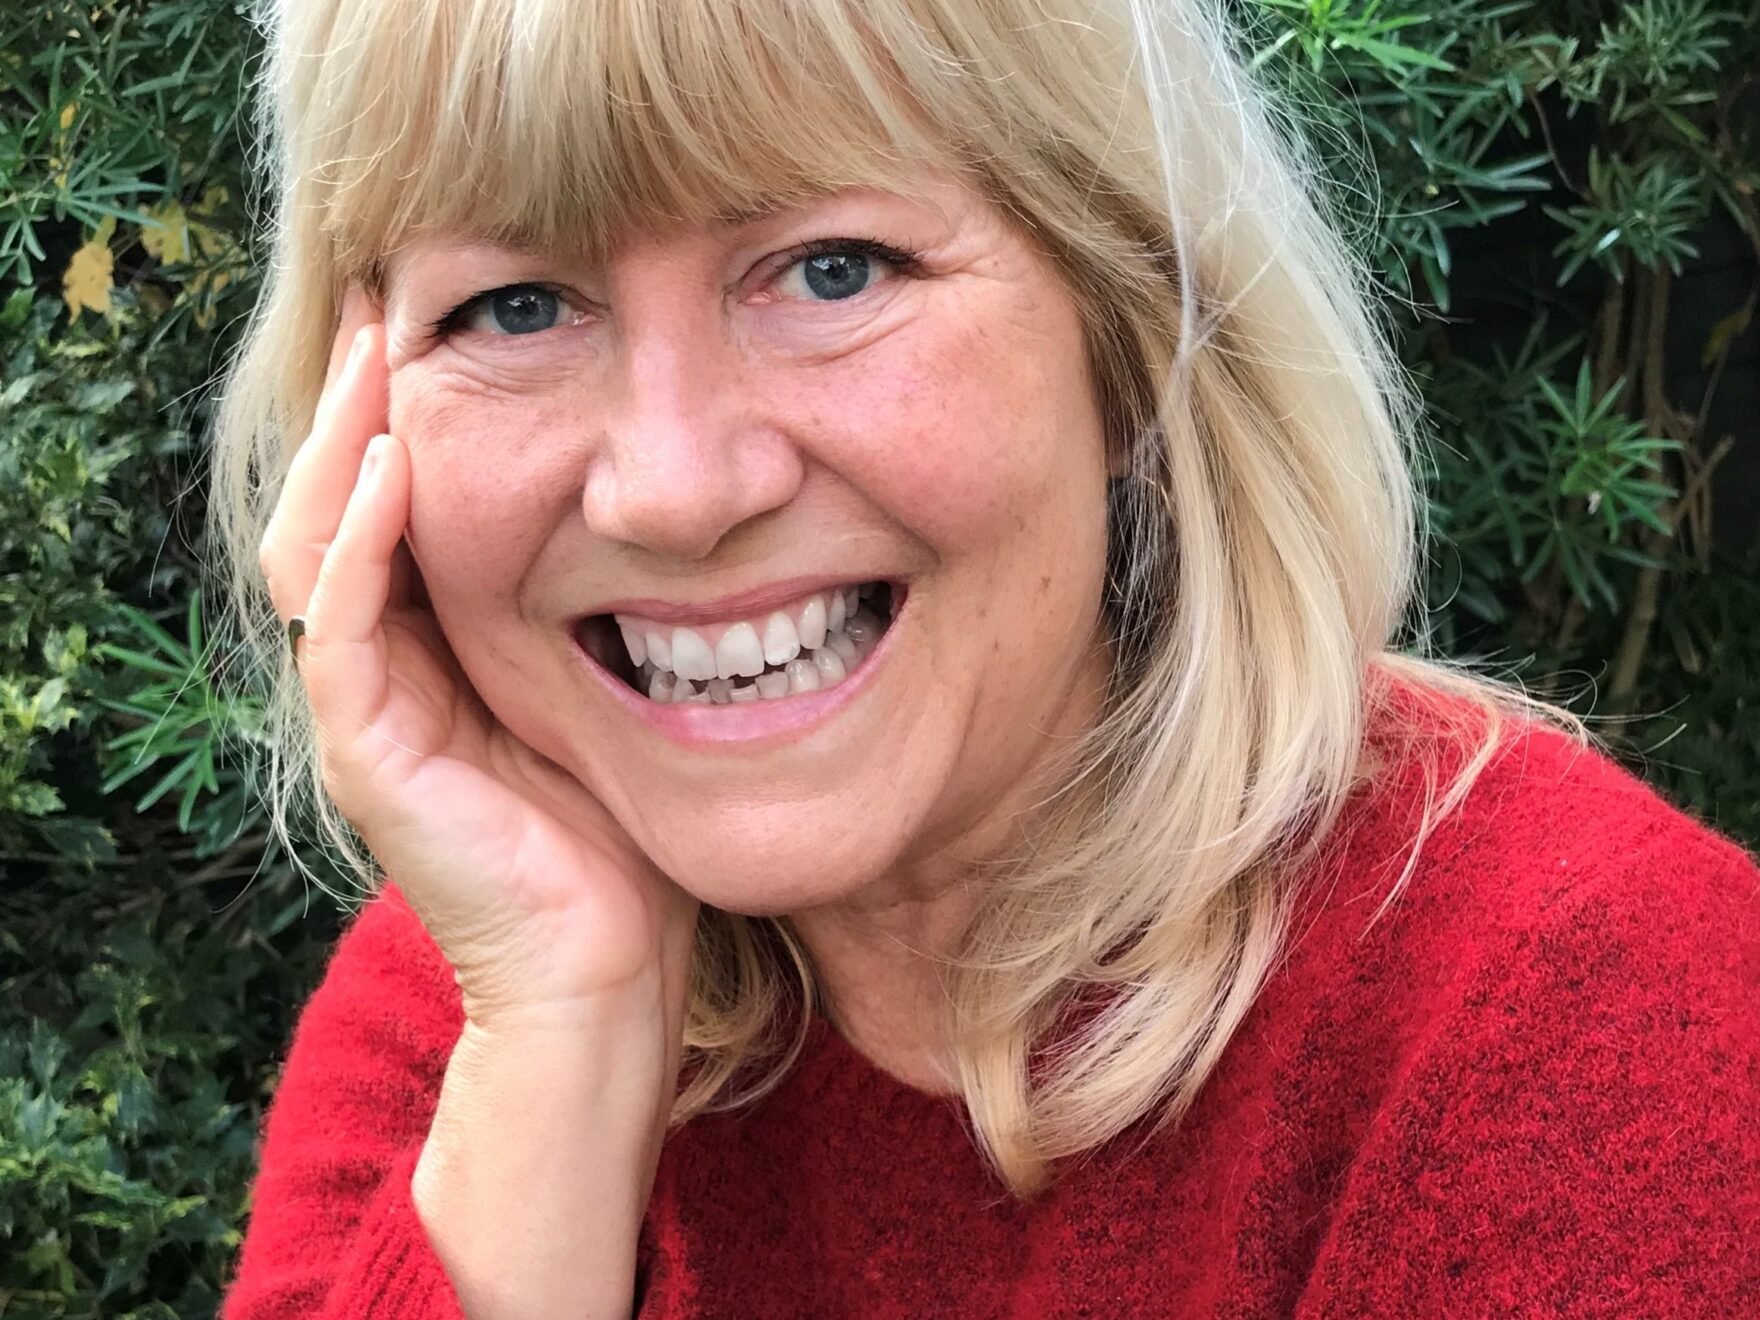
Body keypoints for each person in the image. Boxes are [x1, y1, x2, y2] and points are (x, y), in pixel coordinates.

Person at [211, 0, 1759, 1315]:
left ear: (1135, 334)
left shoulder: (1587, 1026)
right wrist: (558, 1066)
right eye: (515, 306)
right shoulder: (482, 1001)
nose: (673, 489)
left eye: (834, 269)